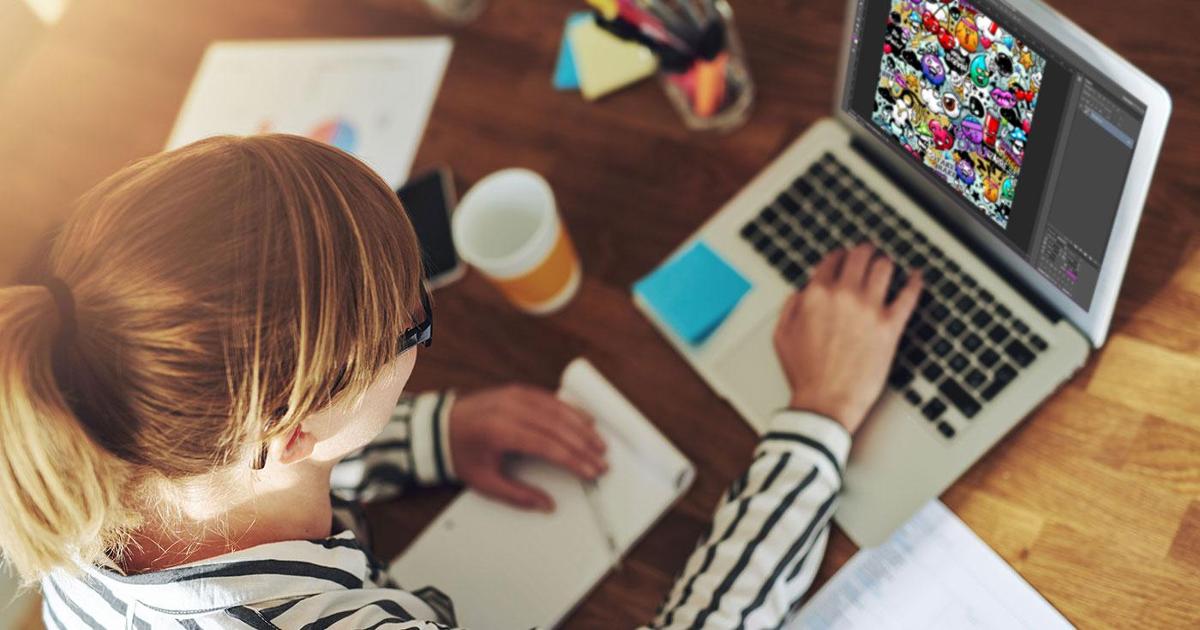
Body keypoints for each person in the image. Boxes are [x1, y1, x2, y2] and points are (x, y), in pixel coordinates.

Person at [0, 135, 920, 629]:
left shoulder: (75, 450)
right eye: (417, 329)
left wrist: (431, 434)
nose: (422, 335)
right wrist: (820, 417)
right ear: (292, 434)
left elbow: (229, 470)